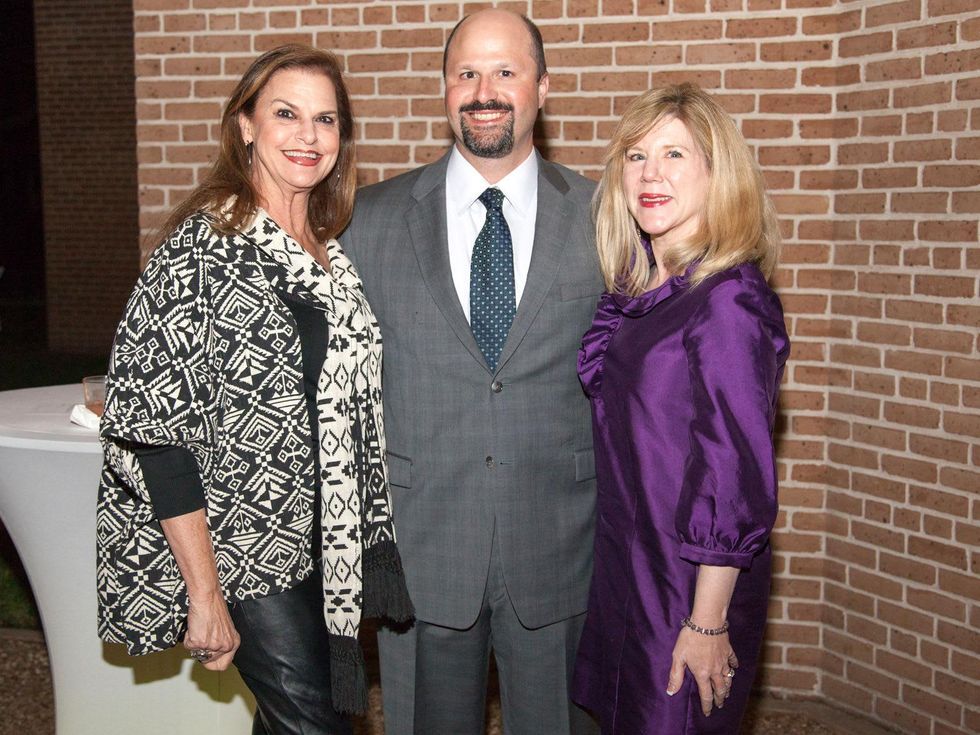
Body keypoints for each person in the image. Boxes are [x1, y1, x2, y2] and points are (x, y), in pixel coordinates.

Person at [96, 45, 412, 734]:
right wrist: (204, 592)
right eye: (286, 114)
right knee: (316, 723)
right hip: (245, 554)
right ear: (245, 126)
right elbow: (155, 430)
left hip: (327, 541)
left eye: (325, 119)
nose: (308, 135)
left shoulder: (331, 255)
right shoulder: (203, 249)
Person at [339, 9, 602, 735]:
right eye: (466, 73)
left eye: (506, 72)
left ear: (543, 87)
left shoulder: (605, 217)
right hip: (424, 550)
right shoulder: (369, 220)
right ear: (444, 88)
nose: (484, 90)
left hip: (560, 542)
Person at [570, 83, 790, 734]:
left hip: (688, 592)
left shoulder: (729, 300)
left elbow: (732, 471)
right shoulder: (644, 291)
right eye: (636, 156)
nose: (650, 174)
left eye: (674, 154)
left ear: (717, 173)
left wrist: (706, 620)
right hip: (631, 576)